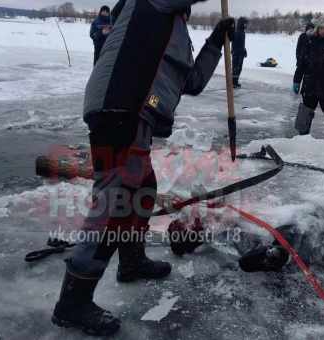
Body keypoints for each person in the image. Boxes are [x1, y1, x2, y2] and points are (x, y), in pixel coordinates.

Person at [51, 0, 235, 336]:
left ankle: (131, 261)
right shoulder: (149, 5)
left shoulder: (174, 29)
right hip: (120, 107)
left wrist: (215, 42)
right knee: (116, 204)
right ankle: (72, 302)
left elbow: (191, 82)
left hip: (136, 115)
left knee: (143, 187)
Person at [294, 18, 324, 141]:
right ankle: (302, 139)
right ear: (317, 28)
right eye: (321, 27)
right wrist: (297, 80)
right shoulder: (309, 41)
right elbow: (301, 63)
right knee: (305, 113)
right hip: (310, 84)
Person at [293, 22, 315, 94]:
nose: (310, 31)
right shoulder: (302, 36)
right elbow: (298, 48)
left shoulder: (315, 38)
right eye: (309, 29)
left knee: (307, 79)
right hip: (301, 61)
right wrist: (298, 57)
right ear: (306, 30)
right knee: (297, 76)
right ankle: (295, 88)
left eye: (312, 29)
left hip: (309, 63)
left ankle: (304, 91)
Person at [232, 17, 248, 88]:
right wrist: (236, 52)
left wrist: (244, 50)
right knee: (236, 68)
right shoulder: (237, 32)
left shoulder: (242, 32)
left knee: (239, 68)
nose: (246, 25)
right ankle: (233, 82)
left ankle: (235, 81)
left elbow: (242, 43)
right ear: (241, 24)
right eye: (245, 24)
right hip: (237, 53)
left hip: (240, 53)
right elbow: (234, 43)